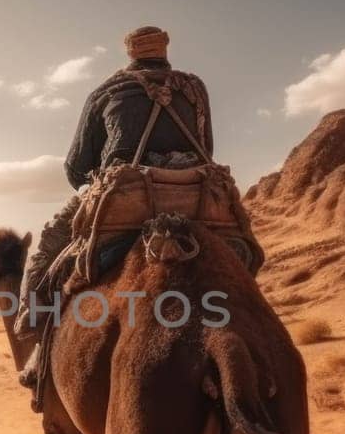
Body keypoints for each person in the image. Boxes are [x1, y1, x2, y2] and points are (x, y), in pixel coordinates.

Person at [15, 25, 215, 383]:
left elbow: (76, 167)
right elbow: (207, 148)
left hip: (124, 195)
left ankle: (37, 352)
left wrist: (100, 186)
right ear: (164, 50)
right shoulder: (194, 89)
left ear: (130, 53)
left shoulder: (108, 91)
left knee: (46, 249)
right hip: (195, 196)